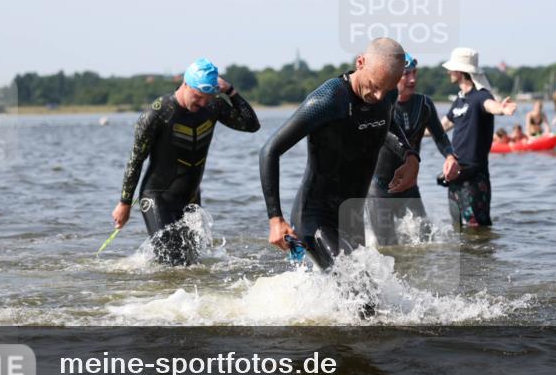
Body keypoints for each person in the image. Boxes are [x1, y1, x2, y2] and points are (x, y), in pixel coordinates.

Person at [259, 38, 420, 268]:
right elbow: (270, 151)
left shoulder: (387, 94)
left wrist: (410, 156)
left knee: (365, 287)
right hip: (315, 218)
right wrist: (275, 219)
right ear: (360, 62)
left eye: (387, 89)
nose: (379, 97)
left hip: (351, 218)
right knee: (357, 286)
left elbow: (386, 123)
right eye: (375, 86)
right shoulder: (328, 100)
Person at [112, 58, 259, 265]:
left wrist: (231, 91)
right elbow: (136, 159)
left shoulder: (213, 106)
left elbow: (251, 125)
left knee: (191, 266)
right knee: (172, 264)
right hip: (158, 198)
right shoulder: (158, 113)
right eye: (198, 96)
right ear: (185, 84)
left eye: (207, 98)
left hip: (190, 199)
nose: (202, 103)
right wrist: (124, 203)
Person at [366, 53, 460, 245]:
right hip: (379, 189)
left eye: (415, 73)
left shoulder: (424, 104)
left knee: (425, 241)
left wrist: (450, 156)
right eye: (406, 74)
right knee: (388, 246)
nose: (412, 79)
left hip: (409, 187)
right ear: (393, 76)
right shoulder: (379, 105)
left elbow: (440, 136)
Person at [439, 47, 517, 229]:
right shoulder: (459, 101)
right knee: (458, 228)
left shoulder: (480, 96)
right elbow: (440, 128)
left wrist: (502, 109)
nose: (448, 72)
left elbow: (491, 105)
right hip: (455, 173)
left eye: (451, 69)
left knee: (477, 229)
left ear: (460, 71)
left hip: (475, 176)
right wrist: (411, 129)